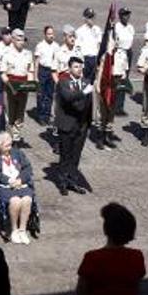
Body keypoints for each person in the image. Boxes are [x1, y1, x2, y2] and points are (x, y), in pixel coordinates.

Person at [0, 132, 36, 243]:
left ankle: (22, 230)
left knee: (27, 200)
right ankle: (14, 230)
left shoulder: (17, 153)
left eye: (10, 144)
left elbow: (28, 168)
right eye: (7, 145)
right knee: (15, 201)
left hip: (20, 183)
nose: (10, 147)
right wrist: (7, 180)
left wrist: (21, 179)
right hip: (4, 186)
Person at [55, 56, 92, 194]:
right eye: (76, 67)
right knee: (65, 155)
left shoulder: (86, 82)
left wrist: (89, 123)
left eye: (81, 67)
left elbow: (89, 104)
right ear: (70, 68)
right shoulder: (63, 82)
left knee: (76, 156)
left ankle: (72, 181)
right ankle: (63, 182)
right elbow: (68, 97)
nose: (79, 69)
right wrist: (83, 92)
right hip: (66, 124)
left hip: (81, 126)